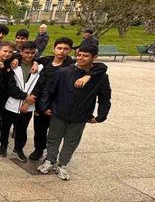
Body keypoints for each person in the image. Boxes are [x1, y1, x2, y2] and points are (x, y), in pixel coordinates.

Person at [37, 44, 111, 181]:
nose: (81, 58)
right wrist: (45, 106)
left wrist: (101, 116)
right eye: (79, 55)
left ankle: (63, 164)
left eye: (85, 56)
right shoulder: (64, 72)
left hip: (80, 115)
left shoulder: (100, 77)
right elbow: (50, 90)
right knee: (53, 137)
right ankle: (50, 160)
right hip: (59, 112)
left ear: (94, 57)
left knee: (71, 141)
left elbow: (105, 98)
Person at [0, 41, 44, 161]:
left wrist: (29, 100)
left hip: (29, 105)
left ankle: (18, 148)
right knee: (6, 126)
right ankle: (3, 145)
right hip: (12, 102)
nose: (29, 55)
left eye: (32, 53)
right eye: (26, 53)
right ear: (21, 52)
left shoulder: (39, 67)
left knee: (22, 128)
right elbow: (10, 86)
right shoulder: (13, 65)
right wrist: (25, 96)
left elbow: (40, 85)